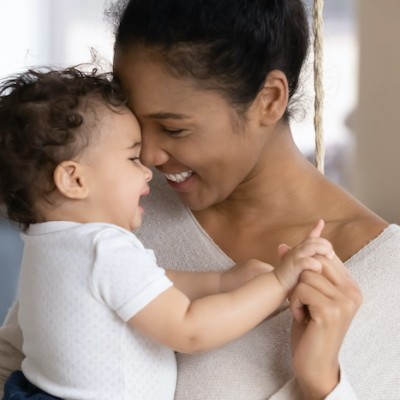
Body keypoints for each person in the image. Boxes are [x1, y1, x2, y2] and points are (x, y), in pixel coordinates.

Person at [0, 0, 399, 398]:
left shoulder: (387, 280)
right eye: (137, 124)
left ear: (270, 99)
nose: (149, 157)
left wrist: (322, 384)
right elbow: (15, 361)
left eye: (173, 129)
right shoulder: (110, 204)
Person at [0, 67, 335, 400]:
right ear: (74, 180)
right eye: (132, 157)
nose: (147, 171)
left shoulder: (46, 243)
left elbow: (150, 284)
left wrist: (224, 280)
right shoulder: (103, 246)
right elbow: (191, 329)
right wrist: (278, 283)